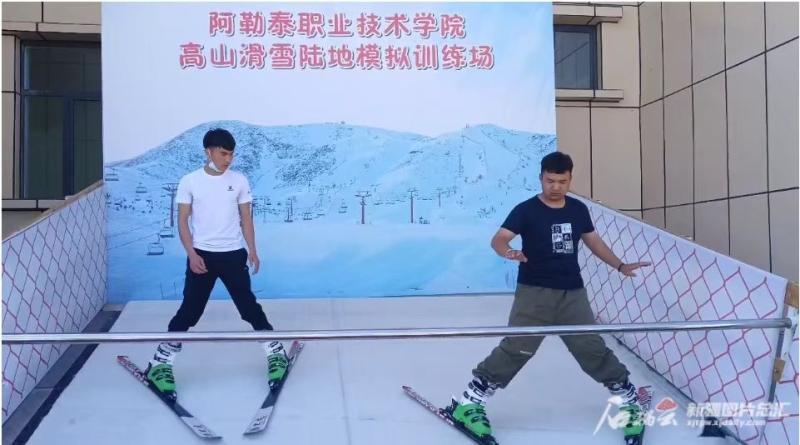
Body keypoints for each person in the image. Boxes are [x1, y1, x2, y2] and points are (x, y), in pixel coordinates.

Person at [445, 151, 651, 440]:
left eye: (562, 182)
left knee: (590, 348)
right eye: (550, 181)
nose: (555, 187)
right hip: (534, 293)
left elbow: (593, 242)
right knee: (518, 348)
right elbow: (499, 239)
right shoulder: (526, 210)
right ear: (541, 178)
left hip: (572, 293)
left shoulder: (578, 210)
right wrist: (509, 252)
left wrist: (620, 265)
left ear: (570, 180)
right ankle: (469, 403)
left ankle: (630, 399)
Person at [144, 128, 287, 400]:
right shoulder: (190, 181)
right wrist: (191, 253)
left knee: (248, 308)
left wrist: (253, 250)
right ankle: (160, 363)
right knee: (189, 312)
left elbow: (246, 218)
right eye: (223, 154)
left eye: (231, 154)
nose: (228, 160)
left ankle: (275, 352)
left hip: (233, 255)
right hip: (202, 256)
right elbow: (182, 221)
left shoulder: (239, 180)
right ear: (208, 152)